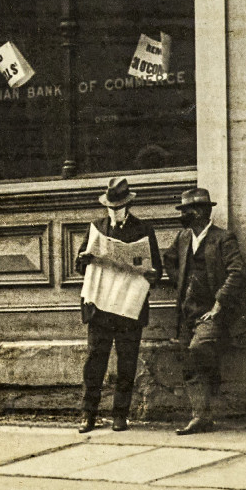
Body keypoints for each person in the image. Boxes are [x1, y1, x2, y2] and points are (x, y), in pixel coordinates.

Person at [75, 176, 162, 433]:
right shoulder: (97, 228)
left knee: (127, 362)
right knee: (95, 362)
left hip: (128, 307)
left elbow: (155, 268)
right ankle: (88, 414)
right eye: (111, 207)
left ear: (128, 205)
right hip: (100, 306)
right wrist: (84, 259)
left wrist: (150, 273)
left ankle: (120, 414)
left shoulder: (144, 230)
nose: (114, 212)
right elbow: (80, 267)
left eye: (119, 207)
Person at [172, 187, 246, 435]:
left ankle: (210, 388)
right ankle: (200, 417)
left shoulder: (223, 238)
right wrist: (184, 284)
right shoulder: (183, 238)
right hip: (188, 312)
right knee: (188, 361)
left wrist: (218, 304)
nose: (183, 214)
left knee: (198, 349)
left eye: (187, 210)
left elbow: (237, 273)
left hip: (213, 312)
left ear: (201, 212)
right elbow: (169, 260)